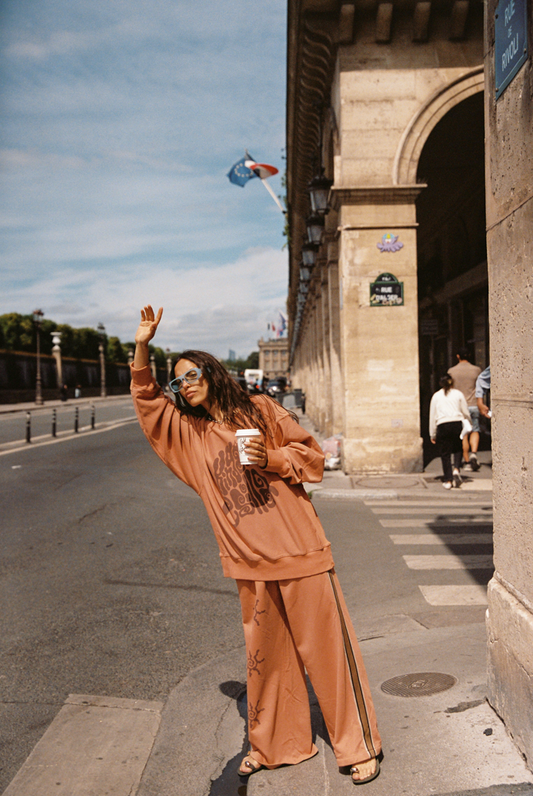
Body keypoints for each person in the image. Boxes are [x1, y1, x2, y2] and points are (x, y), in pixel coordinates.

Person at [130, 306, 382, 785]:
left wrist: (273, 458)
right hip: (248, 561)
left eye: (192, 374)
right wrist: (142, 346)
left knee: (329, 656)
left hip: (301, 551)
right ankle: (278, 745)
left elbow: (312, 457)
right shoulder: (189, 434)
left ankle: (358, 744)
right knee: (267, 664)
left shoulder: (263, 409)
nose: (184, 385)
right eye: (177, 382)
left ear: (213, 372)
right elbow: (147, 403)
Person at [429, 374, 472, 489]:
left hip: (442, 424)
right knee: (458, 447)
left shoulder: (436, 396)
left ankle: (448, 480)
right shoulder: (458, 394)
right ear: (452, 382)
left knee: (445, 453)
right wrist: (469, 422)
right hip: (456, 422)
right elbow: (465, 411)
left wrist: (432, 433)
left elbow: (432, 416)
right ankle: (457, 469)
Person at [447, 347, 482, 471]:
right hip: (473, 404)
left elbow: (449, 390)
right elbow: (481, 388)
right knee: (475, 429)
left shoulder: (452, 371)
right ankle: (474, 453)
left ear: (457, 356)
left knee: (464, 434)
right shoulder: (477, 370)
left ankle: (467, 462)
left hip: (459, 407)